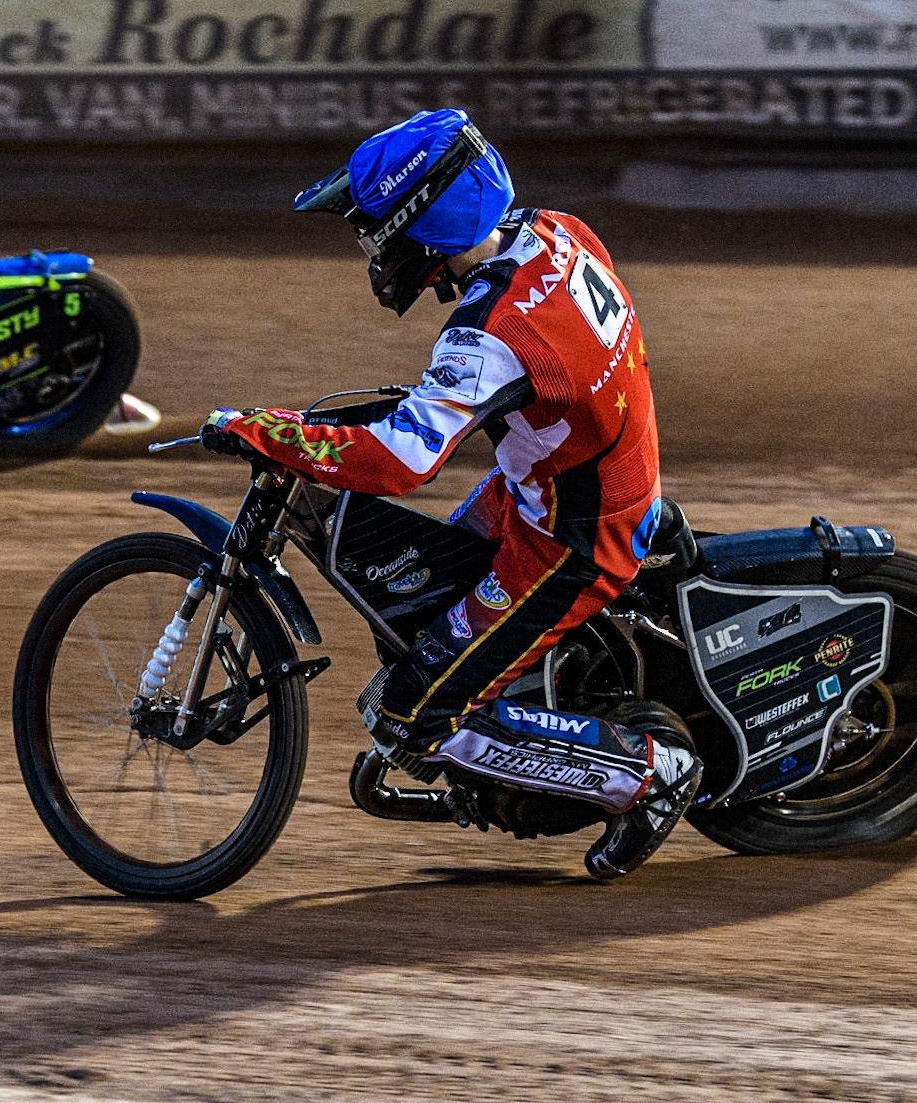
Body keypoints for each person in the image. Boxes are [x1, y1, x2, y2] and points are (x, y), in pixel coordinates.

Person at [199, 109, 701, 879]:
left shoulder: (488, 335)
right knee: (417, 614)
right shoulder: (555, 232)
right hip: (568, 484)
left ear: (421, 226)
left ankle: (644, 774)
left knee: (411, 716)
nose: (369, 249)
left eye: (373, 232)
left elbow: (402, 462)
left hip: (571, 538)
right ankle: (532, 715)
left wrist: (268, 432)